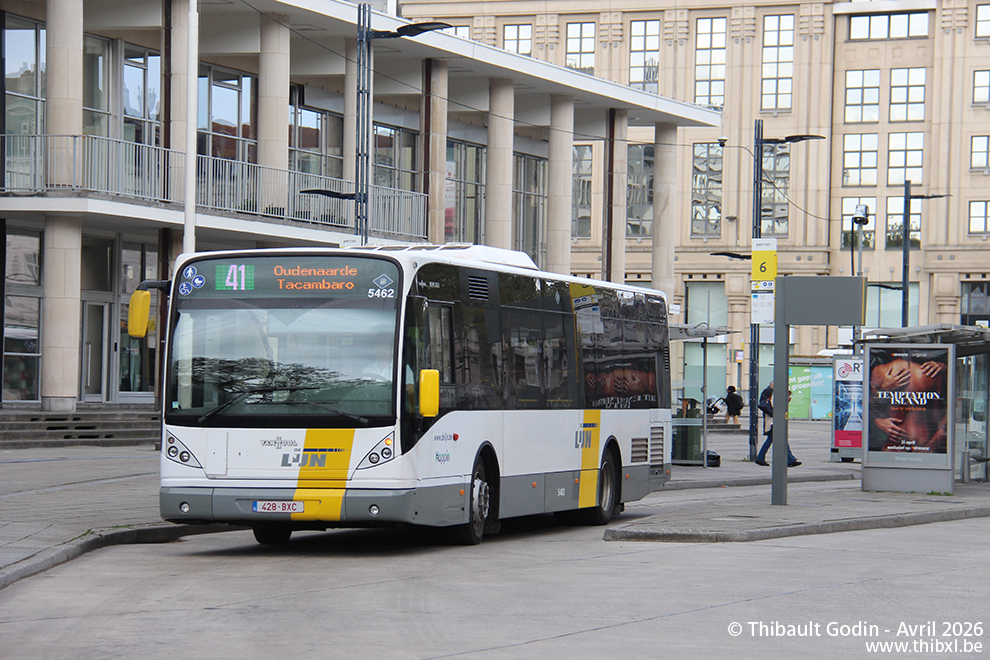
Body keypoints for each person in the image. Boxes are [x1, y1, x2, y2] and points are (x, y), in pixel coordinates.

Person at [755, 390, 801, 467]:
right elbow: (776, 407)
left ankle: (760, 458)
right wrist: (785, 401)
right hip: (774, 423)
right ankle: (790, 460)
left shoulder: (774, 396)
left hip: (773, 423)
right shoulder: (775, 396)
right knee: (782, 440)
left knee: (770, 440)